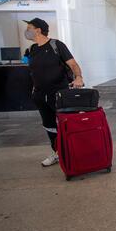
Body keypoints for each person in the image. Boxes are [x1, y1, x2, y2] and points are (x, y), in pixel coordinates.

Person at [25, 18, 84, 167]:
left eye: (29, 27)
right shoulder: (32, 49)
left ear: (38, 30)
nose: (27, 31)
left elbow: (73, 64)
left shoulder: (56, 45)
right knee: (49, 125)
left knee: (66, 124)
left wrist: (78, 77)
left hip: (58, 93)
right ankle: (57, 152)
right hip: (40, 95)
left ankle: (75, 152)